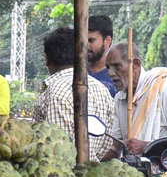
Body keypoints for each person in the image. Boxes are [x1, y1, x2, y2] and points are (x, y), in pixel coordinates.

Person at [33, 26, 115, 161]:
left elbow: (56, 152)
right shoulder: (102, 90)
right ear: (81, 55)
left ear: (47, 59)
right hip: (91, 173)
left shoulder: (55, 93)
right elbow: (106, 144)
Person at [105, 42, 167, 156]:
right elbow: (115, 145)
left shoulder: (164, 89)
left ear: (136, 64)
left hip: (162, 170)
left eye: (117, 66)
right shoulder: (119, 99)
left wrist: (146, 146)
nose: (110, 73)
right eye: (108, 67)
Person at [87, 14, 118, 96]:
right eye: (83, 40)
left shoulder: (119, 75)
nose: (86, 45)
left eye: (91, 40)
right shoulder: (76, 73)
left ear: (107, 41)